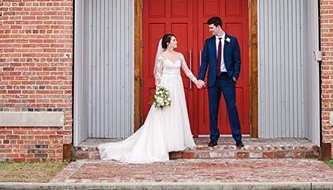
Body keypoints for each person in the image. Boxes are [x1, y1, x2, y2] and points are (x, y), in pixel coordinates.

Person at [98, 34, 199, 163]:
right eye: (174, 40)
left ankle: (175, 142)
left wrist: (196, 81)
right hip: (166, 86)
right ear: (168, 43)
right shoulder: (162, 57)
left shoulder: (180, 56)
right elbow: (158, 75)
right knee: (164, 114)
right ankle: (163, 143)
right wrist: (159, 91)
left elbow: (187, 71)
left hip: (177, 87)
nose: (176, 41)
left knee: (176, 113)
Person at [196, 16, 244, 147]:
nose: (210, 30)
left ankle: (238, 138)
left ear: (218, 26)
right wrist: (200, 77)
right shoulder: (209, 42)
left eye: (211, 27)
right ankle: (214, 138)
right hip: (213, 80)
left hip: (227, 79)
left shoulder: (232, 41)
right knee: (213, 110)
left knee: (232, 108)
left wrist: (234, 77)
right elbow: (204, 61)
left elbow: (237, 61)